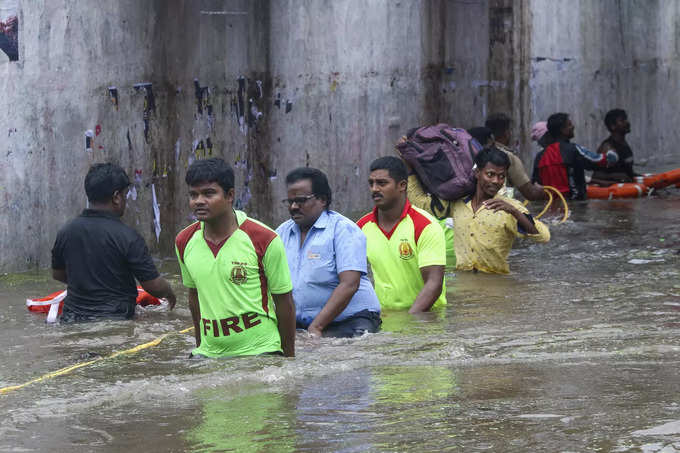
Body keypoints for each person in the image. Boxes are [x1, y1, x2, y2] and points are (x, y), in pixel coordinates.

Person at [175, 158, 295, 357]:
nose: (198, 201)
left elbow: (284, 302)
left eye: (208, 193)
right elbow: (194, 297)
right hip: (209, 353)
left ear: (230, 195)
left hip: (261, 351)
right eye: (193, 195)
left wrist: (288, 360)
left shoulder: (264, 239)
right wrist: (200, 348)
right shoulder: (184, 241)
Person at [51, 163, 176, 322]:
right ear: (116, 197)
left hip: (71, 319)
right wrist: (170, 293)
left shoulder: (66, 231)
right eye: (125, 195)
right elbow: (154, 286)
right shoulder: (128, 237)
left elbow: (58, 274)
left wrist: (88, 282)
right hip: (116, 319)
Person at [276, 168, 381, 337]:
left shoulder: (343, 230)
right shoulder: (281, 233)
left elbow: (349, 284)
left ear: (322, 200)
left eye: (301, 200)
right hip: (301, 324)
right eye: (290, 201)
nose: (294, 207)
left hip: (351, 321)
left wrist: (316, 328)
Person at [358, 156, 446, 313]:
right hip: (384, 316)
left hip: (426, 317)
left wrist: (410, 319)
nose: (374, 189)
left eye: (382, 183)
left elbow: (434, 284)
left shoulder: (425, 225)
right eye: (371, 183)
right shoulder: (361, 227)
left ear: (402, 186)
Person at [453, 147, 550, 274]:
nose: (496, 181)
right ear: (477, 173)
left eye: (501, 176)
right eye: (490, 174)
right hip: (463, 280)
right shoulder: (458, 204)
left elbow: (543, 237)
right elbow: (425, 204)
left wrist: (513, 211)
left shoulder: (510, 206)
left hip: (496, 284)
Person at [532, 112, 618, 200]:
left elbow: (535, 185)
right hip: (574, 206)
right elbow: (600, 161)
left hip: (549, 208)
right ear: (562, 130)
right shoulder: (574, 150)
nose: (573, 126)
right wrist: (612, 154)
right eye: (569, 124)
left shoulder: (539, 157)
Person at [485, 113, 546, 200]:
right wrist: (541, 191)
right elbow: (530, 194)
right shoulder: (509, 157)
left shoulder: (481, 152)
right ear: (506, 133)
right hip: (500, 208)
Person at [591, 108, 639, 184]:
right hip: (613, 190)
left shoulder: (623, 143)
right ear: (613, 126)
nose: (627, 122)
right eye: (622, 120)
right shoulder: (608, 149)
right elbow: (596, 176)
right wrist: (616, 176)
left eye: (626, 119)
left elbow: (627, 171)